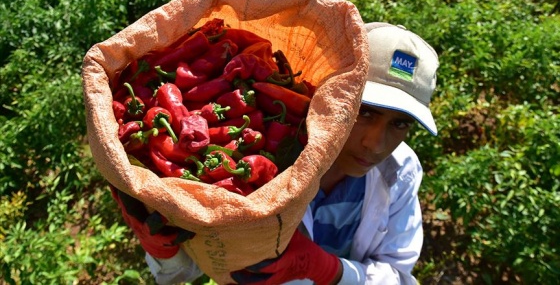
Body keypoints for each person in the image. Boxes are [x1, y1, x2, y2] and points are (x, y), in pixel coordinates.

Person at [113, 22, 440, 285]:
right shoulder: (267, 160)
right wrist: (164, 251)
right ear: (334, 96)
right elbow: (190, 270)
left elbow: (398, 275)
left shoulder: (401, 171)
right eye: (364, 113)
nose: (376, 143)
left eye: (400, 124)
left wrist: (328, 270)